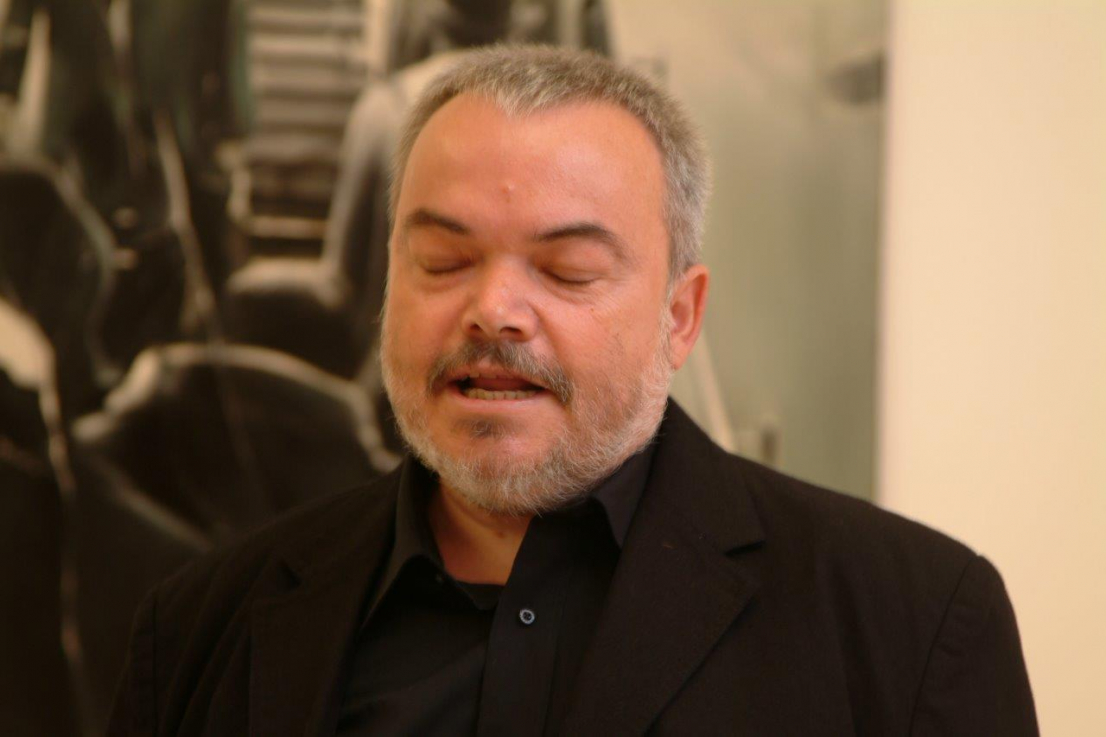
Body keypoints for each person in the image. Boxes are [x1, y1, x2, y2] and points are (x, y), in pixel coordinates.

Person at [108, 46, 1038, 736]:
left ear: (680, 316)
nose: (494, 310)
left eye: (567, 271)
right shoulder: (198, 631)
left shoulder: (913, 627)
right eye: (444, 260)